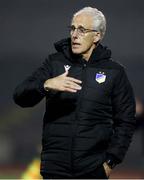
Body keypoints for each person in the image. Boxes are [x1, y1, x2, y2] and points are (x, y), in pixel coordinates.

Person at [13, 7, 136, 179]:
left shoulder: (114, 72)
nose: (74, 34)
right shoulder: (54, 63)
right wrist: (46, 84)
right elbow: (20, 97)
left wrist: (111, 161)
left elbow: (126, 121)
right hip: (55, 169)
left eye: (82, 30)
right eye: (72, 28)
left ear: (97, 36)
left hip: (93, 170)